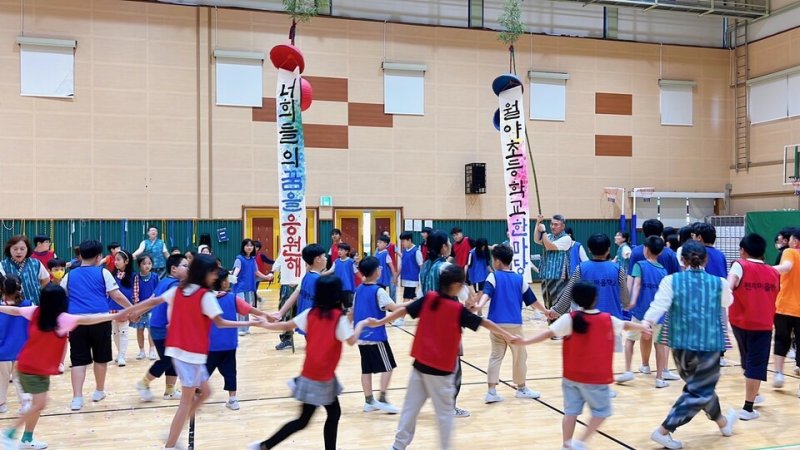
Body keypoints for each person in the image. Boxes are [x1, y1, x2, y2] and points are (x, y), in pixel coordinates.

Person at [366, 265, 518, 450]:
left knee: (409, 411)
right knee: (444, 417)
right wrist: (508, 335)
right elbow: (484, 322)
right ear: (455, 285)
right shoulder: (455, 309)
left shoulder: (430, 298)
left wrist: (381, 322)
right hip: (441, 372)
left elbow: (405, 310)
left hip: (420, 366)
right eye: (462, 284)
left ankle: (398, 446)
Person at [125, 254, 263, 450]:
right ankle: (170, 444)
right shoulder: (205, 296)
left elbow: (153, 301)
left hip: (183, 352)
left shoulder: (180, 289)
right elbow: (220, 322)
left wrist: (132, 311)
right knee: (186, 402)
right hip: (189, 355)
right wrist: (251, 322)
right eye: (213, 272)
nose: (216, 276)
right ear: (205, 273)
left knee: (205, 392)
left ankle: (174, 431)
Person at [521, 281, 650, 450]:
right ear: (595, 298)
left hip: (571, 376)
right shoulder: (606, 319)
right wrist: (643, 327)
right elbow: (626, 325)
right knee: (601, 413)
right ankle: (580, 442)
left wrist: (525, 341)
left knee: (570, 412)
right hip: (595, 378)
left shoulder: (570, 319)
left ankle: (566, 444)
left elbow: (547, 334)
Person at [0, 284, 127, 450]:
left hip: (33, 367)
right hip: (31, 369)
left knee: (38, 405)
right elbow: (90, 319)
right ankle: (9, 433)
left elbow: (14, 311)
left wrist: (115, 315)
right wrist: (115, 315)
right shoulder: (63, 319)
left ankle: (27, 439)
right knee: (39, 404)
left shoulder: (36, 311)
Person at [249, 276, 368, 450]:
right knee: (307, 420)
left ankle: (265, 445)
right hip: (321, 377)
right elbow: (351, 341)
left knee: (329, 414)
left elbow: (285, 326)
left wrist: (265, 325)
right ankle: (264, 446)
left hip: (313, 373)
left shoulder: (311, 313)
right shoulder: (338, 318)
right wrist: (361, 324)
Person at [643, 241, 736, 449]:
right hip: (709, 343)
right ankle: (664, 430)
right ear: (706, 259)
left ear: (681, 260)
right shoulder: (719, 282)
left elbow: (659, 306)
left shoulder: (671, 280)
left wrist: (646, 322)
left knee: (700, 388)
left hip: (680, 344)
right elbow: (727, 302)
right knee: (700, 391)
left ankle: (723, 423)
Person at [60, 240, 133, 411]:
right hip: (100, 320)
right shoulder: (104, 273)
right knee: (101, 357)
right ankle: (99, 391)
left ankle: (77, 398)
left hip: (77, 322)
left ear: (80, 255)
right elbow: (117, 296)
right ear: (99, 256)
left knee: (78, 360)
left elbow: (61, 296)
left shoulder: (69, 275)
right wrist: (132, 309)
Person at [474, 244, 549, 403]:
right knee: (520, 356)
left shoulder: (493, 277)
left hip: (495, 325)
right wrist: (546, 311)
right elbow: (532, 301)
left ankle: (491, 391)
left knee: (496, 356)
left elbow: (486, 294)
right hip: (514, 325)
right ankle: (521, 388)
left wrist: (479, 306)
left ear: (498, 262)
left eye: (494, 259)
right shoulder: (519, 279)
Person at [727, 233, 779, 421]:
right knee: (755, 363)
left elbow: (729, 285)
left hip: (739, 322)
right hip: (763, 324)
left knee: (747, 359)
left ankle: (754, 394)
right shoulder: (773, 272)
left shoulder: (739, 265)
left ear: (742, 250)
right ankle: (748, 408)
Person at [419, 230, 470, 418]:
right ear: (443, 247)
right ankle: (449, 407)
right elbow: (464, 295)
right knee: (454, 366)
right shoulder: (445, 268)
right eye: (448, 243)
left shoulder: (424, 267)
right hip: (448, 324)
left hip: (429, 323)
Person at [616, 236, 677, 388]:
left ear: (646, 250)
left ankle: (628, 370)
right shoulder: (663, 271)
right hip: (659, 314)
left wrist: (631, 302)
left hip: (641, 312)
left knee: (630, 339)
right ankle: (659, 378)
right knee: (660, 344)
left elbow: (636, 286)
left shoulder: (640, 265)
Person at [207, 268, 269, 411]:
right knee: (230, 372)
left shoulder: (206, 299)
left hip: (212, 345)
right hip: (228, 344)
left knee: (204, 371)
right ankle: (232, 399)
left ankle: (195, 393)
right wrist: (268, 316)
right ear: (223, 284)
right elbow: (251, 310)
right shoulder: (232, 298)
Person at [352, 256, 406, 415]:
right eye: (380, 268)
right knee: (388, 366)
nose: (381, 269)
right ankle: (382, 398)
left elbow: (353, 311)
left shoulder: (359, 289)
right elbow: (394, 308)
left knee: (366, 369)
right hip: (375, 336)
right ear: (375, 272)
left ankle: (369, 401)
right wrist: (412, 304)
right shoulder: (379, 291)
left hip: (361, 336)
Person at [136, 254, 186, 402]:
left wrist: (138, 312)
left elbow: (152, 299)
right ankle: (143, 383)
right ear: (174, 268)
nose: (188, 269)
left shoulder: (164, 281)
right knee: (167, 359)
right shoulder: (174, 285)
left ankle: (170, 390)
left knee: (173, 358)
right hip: (164, 328)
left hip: (158, 326)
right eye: (185, 266)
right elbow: (175, 307)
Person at [553, 234, 629, 323]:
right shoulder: (619, 270)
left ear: (589, 249)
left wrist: (556, 310)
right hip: (613, 322)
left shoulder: (581, 268)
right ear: (608, 250)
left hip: (587, 323)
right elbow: (626, 300)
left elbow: (568, 292)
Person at [273, 244, 328, 335]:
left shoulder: (306, 277)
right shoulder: (319, 281)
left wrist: (280, 312)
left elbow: (294, 295)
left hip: (307, 324)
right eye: (324, 256)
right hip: (317, 325)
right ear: (318, 259)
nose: (326, 259)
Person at [771, 227, 800, 390]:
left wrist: (766, 270)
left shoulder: (790, 252)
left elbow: (787, 267)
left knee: (782, 340)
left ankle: (779, 374)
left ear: (795, 242)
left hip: (784, 306)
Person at [0, 275, 32, 415]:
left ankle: (1, 404)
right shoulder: (28, 305)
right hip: (23, 350)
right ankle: (26, 403)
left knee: (2, 380)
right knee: (21, 379)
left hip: (3, 352)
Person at [533, 215, 573, 316]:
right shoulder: (549, 236)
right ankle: (552, 327)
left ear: (563, 226)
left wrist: (543, 231)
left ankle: (563, 329)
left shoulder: (566, 238)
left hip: (559, 278)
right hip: (546, 276)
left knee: (560, 306)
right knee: (548, 306)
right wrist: (538, 223)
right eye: (551, 224)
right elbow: (536, 239)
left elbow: (550, 246)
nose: (553, 226)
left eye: (556, 224)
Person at [232, 239, 270, 336]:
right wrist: (233, 277)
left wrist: (266, 277)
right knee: (241, 307)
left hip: (248, 287)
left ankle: (246, 328)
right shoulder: (239, 259)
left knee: (247, 307)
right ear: (243, 247)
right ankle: (240, 328)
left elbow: (256, 272)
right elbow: (237, 269)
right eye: (247, 245)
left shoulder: (253, 260)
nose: (249, 247)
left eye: (251, 246)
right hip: (239, 287)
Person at [1, 236, 50, 306]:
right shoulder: (3, 265)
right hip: (11, 307)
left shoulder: (36, 263)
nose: (18, 252)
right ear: (9, 249)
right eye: (15, 249)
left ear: (27, 249)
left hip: (34, 305)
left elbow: (46, 279)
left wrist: (36, 289)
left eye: (22, 249)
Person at [109, 250, 135, 367]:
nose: (116, 262)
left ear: (126, 261)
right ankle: (119, 353)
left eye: (119, 259)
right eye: (115, 259)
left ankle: (122, 356)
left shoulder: (133, 276)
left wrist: (133, 309)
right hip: (112, 307)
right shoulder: (111, 275)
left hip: (126, 308)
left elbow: (135, 294)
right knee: (115, 332)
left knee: (124, 332)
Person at [132, 255, 159, 361]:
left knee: (151, 330)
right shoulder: (136, 277)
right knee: (139, 330)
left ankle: (152, 350)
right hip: (139, 309)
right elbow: (134, 293)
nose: (147, 266)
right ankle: (141, 350)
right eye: (144, 263)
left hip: (152, 308)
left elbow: (157, 291)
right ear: (139, 265)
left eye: (149, 263)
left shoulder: (155, 277)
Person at [323, 243, 357, 309]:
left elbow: (356, 272)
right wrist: (320, 274)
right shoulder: (336, 261)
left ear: (347, 251)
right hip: (338, 288)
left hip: (348, 288)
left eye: (341, 250)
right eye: (338, 250)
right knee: (338, 307)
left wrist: (363, 279)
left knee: (348, 307)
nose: (339, 251)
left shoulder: (351, 261)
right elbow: (330, 271)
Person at [398, 232, 422, 305]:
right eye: (401, 241)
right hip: (405, 279)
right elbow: (402, 265)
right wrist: (396, 276)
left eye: (403, 241)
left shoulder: (416, 251)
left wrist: (421, 280)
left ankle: (401, 316)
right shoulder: (404, 251)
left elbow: (421, 266)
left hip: (412, 280)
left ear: (409, 240)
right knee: (412, 298)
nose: (402, 243)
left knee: (406, 298)